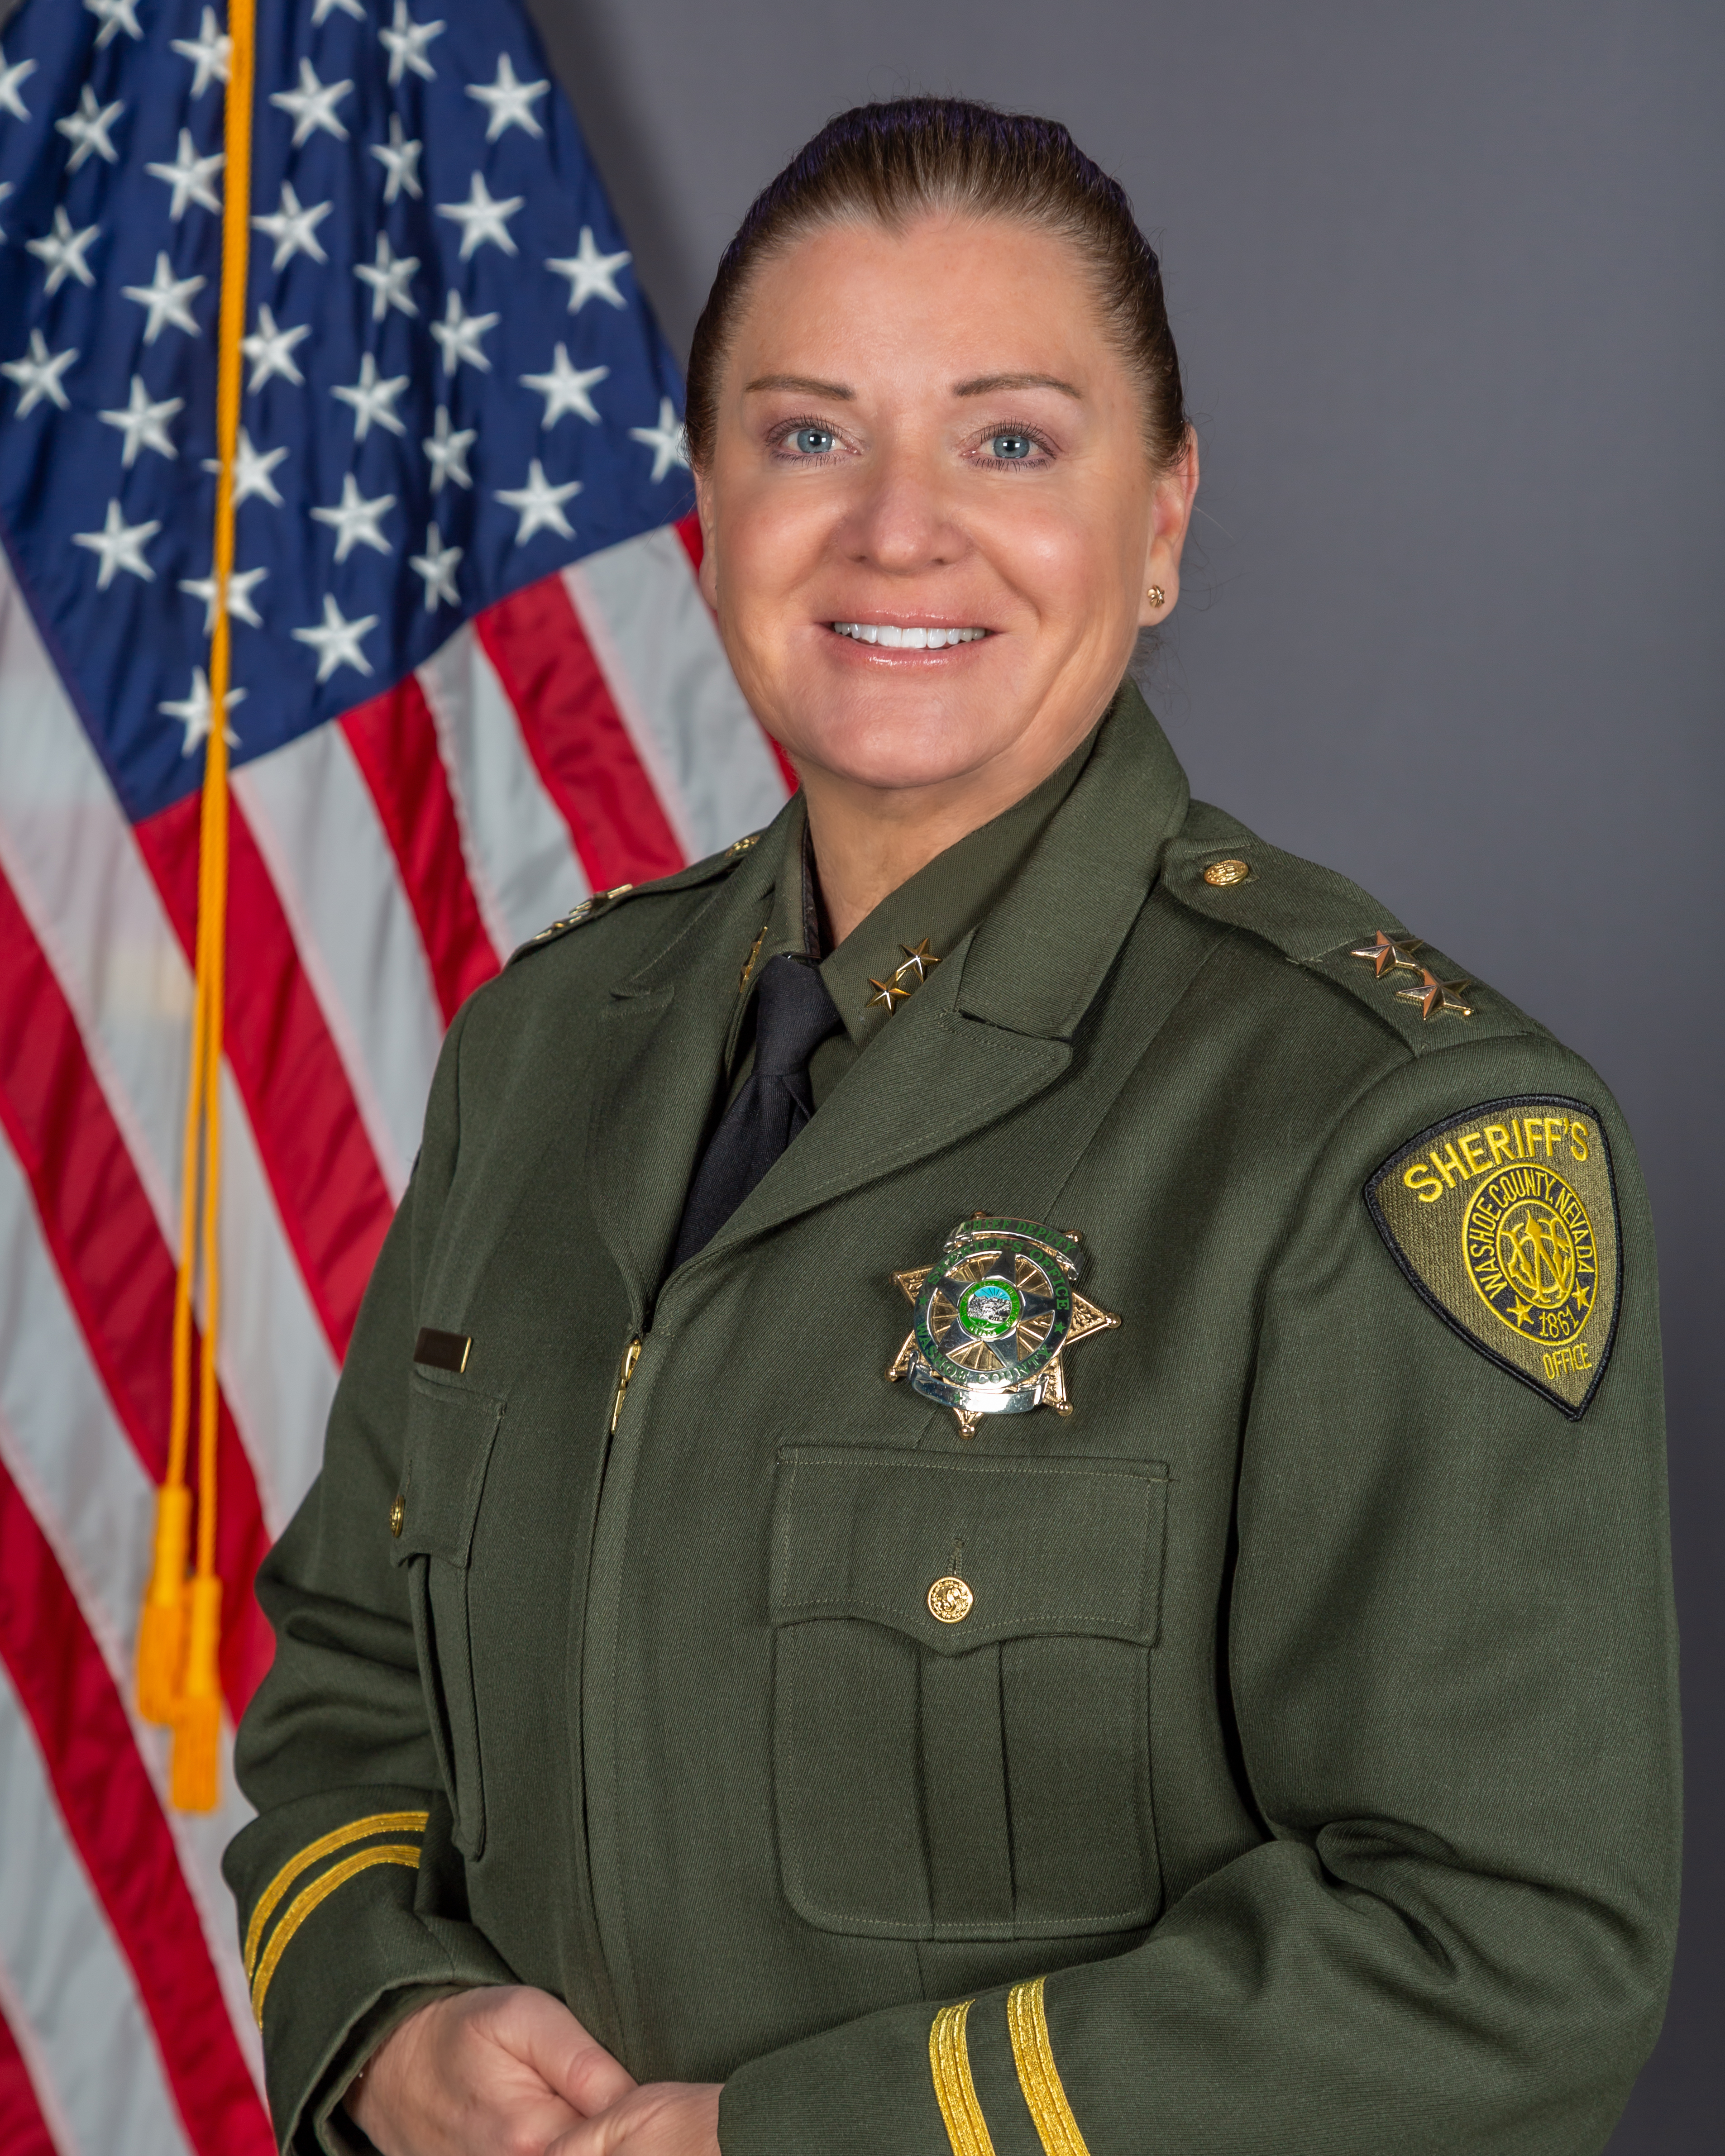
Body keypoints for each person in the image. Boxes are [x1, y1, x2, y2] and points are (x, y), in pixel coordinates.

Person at [225, 98, 1679, 2156]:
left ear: (1159, 521)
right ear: (706, 503)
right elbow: (357, 1675)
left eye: (1008, 441)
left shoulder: (1381, 1126)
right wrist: (384, 2019)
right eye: (806, 435)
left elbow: (1502, 1959)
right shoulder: (543, 1049)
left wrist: (796, 2140)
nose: (895, 529)